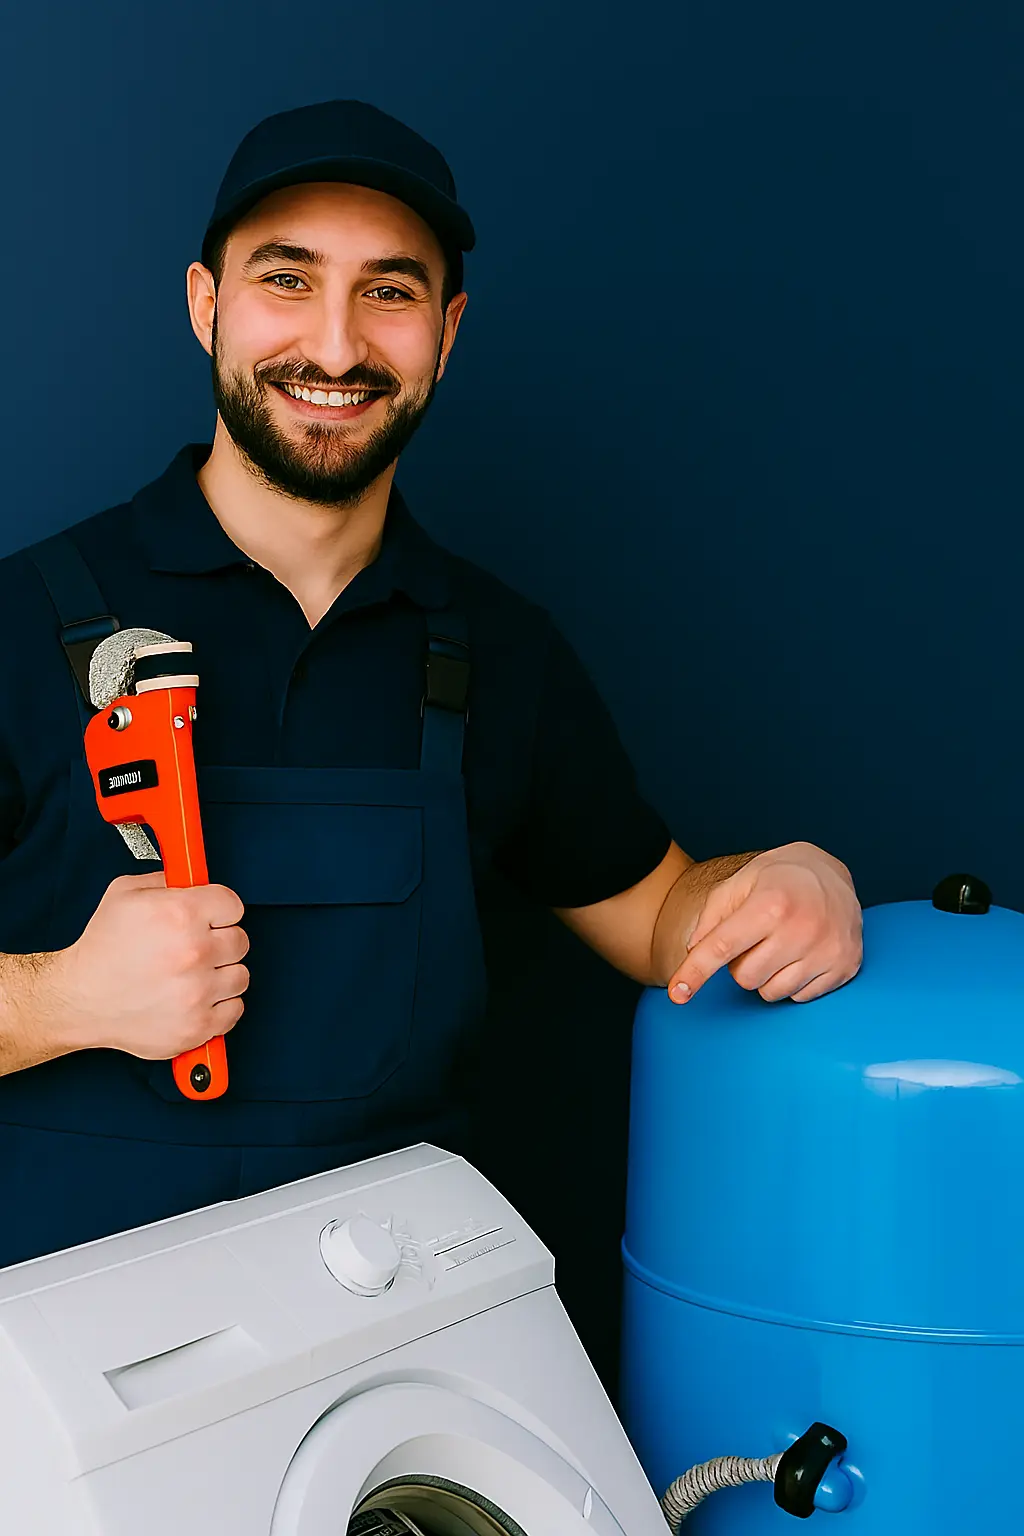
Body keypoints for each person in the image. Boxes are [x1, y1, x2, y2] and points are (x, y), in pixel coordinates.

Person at [0, 101, 862, 1268]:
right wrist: (65, 1001)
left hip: (400, 1342)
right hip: (74, 1365)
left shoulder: (495, 648)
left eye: (391, 292)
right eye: (288, 280)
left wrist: (782, 880)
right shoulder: (22, 617)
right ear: (207, 303)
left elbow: (662, 918)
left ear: (446, 332)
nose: (339, 347)